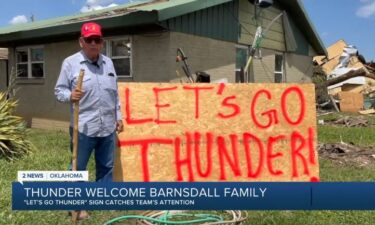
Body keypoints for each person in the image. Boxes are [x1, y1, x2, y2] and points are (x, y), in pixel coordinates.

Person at [55, 21, 123, 182]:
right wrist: (70, 96)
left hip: (107, 127)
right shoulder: (70, 63)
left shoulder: (109, 63)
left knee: (106, 166)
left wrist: (118, 116)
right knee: (78, 167)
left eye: (97, 40)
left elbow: (115, 93)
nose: (93, 43)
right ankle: (77, 204)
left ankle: (103, 200)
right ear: (81, 41)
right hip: (83, 128)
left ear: (102, 43)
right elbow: (59, 91)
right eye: (89, 39)